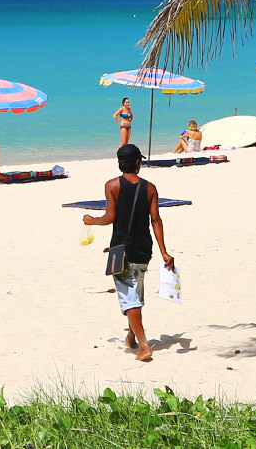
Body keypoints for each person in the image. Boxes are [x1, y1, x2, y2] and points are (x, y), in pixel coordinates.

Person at [80, 143, 175, 363]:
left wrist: (92, 221)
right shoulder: (150, 188)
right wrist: (164, 252)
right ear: (137, 163)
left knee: (130, 297)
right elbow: (156, 221)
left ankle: (144, 345)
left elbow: (110, 217)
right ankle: (131, 336)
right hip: (144, 249)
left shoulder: (112, 185)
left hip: (121, 250)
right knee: (136, 290)